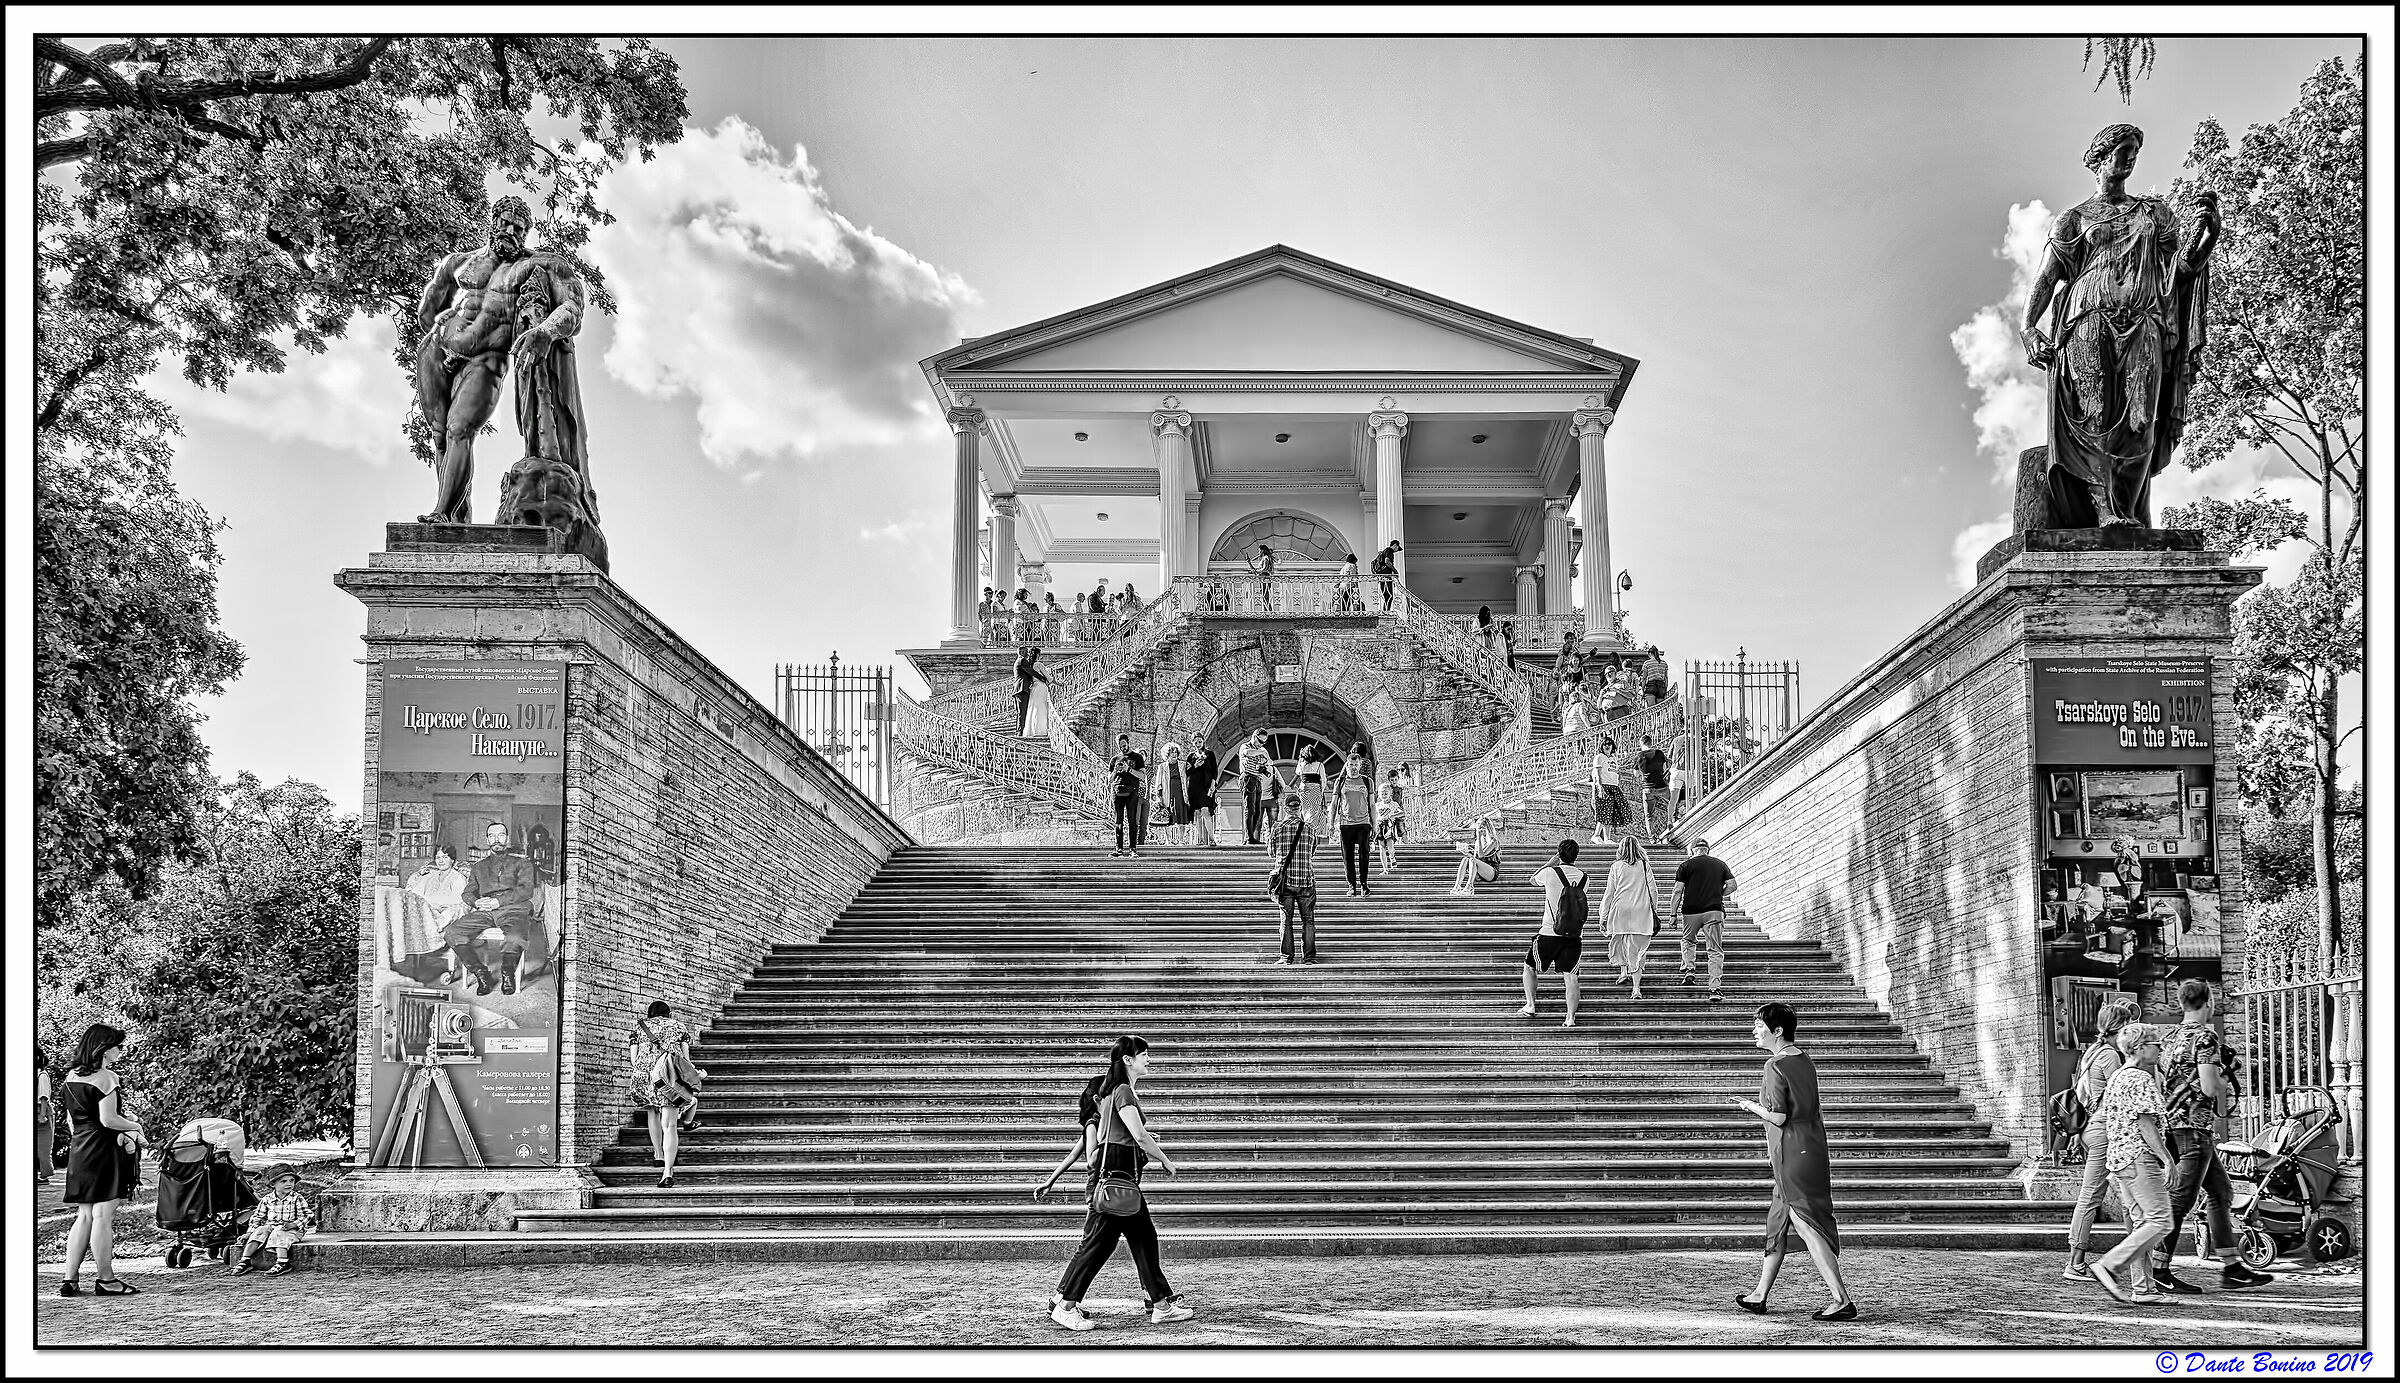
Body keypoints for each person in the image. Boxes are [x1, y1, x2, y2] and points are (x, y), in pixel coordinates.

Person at [2019, 123, 2222, 529]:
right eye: (2123, 150)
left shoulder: (2154, 213)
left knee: (2141, 419)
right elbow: (2047, 276)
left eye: (2135, 151)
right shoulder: (2074, 219)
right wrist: (2028, 327)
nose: (2130, 158)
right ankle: (2104, 511)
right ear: (2099, 158)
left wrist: (2208, 235)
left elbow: (2180, 270)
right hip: (2086, 320)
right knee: (2092, 413)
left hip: (2144, 321)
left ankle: (2128, 511)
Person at [1049, 1037, 1191, 1330]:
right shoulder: (1122, 1090)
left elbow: (1111, 1135)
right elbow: (1138, 1135)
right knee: (1099, 1245)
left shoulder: (1113, 1091)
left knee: (1143, 1239)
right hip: (1118, 1176)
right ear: (1128, 1059)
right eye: (1144, 1055)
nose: (1148, 1059)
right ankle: (1065, 1305)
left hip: (1119, 1176)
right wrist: (1165, 1160)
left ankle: (1161, 1305)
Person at [1732, 1002, 1857, 1321]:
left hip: (1792, 1151)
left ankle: (1841, 1299)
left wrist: (1749, 1106)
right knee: (1778, 1220)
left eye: (1759, 1025)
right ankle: (1759, 1294)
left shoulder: (1774, 1065)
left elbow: (1779, 1117)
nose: (1754, 1030)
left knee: (1804, 1221)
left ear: (1777, 1031)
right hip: (1810, 1145)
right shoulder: (1803, 1058)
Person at [2151, 979, 2275, 1293]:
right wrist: (2225, 1072)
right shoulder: (2206, 1037)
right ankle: (2159, 1270)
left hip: (2174, 1126)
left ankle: (2232, 1268)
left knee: (2220, 1192)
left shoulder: (2169, 1037)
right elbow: (2208, 1088)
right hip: (2194, 1129)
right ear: (2209, 1002)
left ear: (2181, 1003)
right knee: (2181, 1201)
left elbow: (2165, 1083)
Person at [2088, 1023, 2174, 1304]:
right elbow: (2145, 1124)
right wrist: (2167, 1159)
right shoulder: (2139, 1078)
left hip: (2121, 1159)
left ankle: (2144, 1289)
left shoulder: (2119, 1076)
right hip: (2139, 1157)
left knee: (2142, 1224)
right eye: (2155, 1043)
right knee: (2160, 1221)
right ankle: (2110, 1265)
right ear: (2139, 1047)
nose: (2160, 1048)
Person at [58, 1023, 145, 1296]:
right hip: (103, 1150)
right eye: (118, 1046)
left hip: (80, 1150)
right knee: (103, 1216)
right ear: (105, 1049)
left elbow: (72, 1121)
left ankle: (70, 1280)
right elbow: (108, 1120)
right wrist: (135, 1126)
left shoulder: (72, 1076)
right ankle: (106, 1280)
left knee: (84, 1215)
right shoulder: (107, 1078)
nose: (120, 1051)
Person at [2064, 996, 2141, 1280]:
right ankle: (2076, 1262)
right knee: (2101, 1195)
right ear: (2120, 1027)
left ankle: (2136, 1261)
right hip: (2105, 1131)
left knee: (2122, 1194)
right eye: (2128, 1025)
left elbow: (2082, 1093)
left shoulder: (2092, 1051)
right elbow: (2123, 1092)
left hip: (2091, 1129)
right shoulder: (2110, 1056)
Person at [448, 822, 541, 996]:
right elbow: (467, 893)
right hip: (485, 911)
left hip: (514, 908)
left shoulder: (523, 863)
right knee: (453, 932)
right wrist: (477, 902)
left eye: (501, 835)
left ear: (507, 838)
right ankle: (482, 974)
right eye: (492, 835)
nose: (496, 839)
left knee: (515, 937)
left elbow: (526, 890)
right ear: (487, 840)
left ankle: (508, 973)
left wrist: (498, 902)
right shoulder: (478, 867)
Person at [628, 1001, 702, 1188]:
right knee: (670, 1125)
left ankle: (658, 1154)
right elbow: (685, 1059)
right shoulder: (679, 1026)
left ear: (650, 1013)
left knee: (652, 1112)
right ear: (668, 1013)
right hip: (669, 1077)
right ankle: (667, 1172)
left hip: (646, 1077)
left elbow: (633, 1060)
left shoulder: (639, 1027)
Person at [1519, 839, 1590, 1027]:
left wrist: (1550, 863)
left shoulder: (1550, 872)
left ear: (1559, 854)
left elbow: (1532, 880)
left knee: (1529, 966)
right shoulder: (1585, 878)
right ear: (1576, 856)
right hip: (1574, 935)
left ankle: (1530, 1005)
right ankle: (1570, 1018)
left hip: (1549, 932)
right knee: (1571, 976)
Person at [1672, 837, 1735, 1002]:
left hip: (1690, 912)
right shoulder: (1720, 864)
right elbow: (1732, 885)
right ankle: (1714, 989)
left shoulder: (1685, 866)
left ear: (1692, 850)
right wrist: (1719, 894)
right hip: (1713, 911)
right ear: (1707, 849)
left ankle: (1689, 969)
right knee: (1714, 950)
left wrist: (1673, 914)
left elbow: (1677, 891)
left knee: (1688, 940)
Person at [1598, 837, 1660, 999]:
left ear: (1620, 849)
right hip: (1641, 911)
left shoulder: (1616, 866)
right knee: (1637, 950)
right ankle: (1636, 988)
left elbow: (1609, 893)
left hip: (1620, 910)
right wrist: (1653, 908)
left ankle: (1623, 972)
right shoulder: (1644, 865)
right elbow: (1653, 890)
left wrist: (1603, 915)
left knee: (1620, 940)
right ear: (1638, 848)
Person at [226, 1167, 316, 1277]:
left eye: (291, 1180)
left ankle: (283, 1262)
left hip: (291, 1229)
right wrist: (250, 1232)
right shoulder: (267, 1199)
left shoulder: (297, 1198)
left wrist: (293, 1224)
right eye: (283, 1181)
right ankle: (245, 1260)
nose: (288, 1184)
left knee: (279, 1232)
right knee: (260, 1230)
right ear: (273, 1184)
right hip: (272, 1227)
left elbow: (307, 1215)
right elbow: (257, 1217)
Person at [1267, 792, 1324, 964]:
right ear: (1300, 809)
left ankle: (1286, 957)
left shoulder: (1277, 828)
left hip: (1285, 882)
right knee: (1308, 920)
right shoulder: (1310, 829)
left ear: (1286, 809)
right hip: (1306, 880)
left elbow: (1271, 853)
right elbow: (1312, 853)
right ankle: (1309, 957)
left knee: (1286, 920)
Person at [1334, 760, 1376, 897]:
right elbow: (1334, 804)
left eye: (1356, 765)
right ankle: (1351, 885)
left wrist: (1375, 824)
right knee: (1348, 856)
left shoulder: (1367, 781)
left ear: (1359, 766)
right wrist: (1331, 823)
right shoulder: (1340, 782)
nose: (1353, 768)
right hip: (1346, 823)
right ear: (1346, 766)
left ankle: (1364, 884)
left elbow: (1372, 804)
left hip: (1363, 822)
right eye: (1351, 765)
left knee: (1364, 853)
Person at [1110, 735, 1147, 857]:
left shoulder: (1137, 757)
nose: (1123, 748)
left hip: (1132, 791)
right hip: (1117, 792)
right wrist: (1115, 771)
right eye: (1120, 746)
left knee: (1132, 821)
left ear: (1128, 742)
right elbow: (1109, 780)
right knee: (1118, 821)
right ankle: (1119, 849)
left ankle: (1132, 848)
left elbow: (1142, 776)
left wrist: (1128, 769)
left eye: (1124, 745)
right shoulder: (1115, 759)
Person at [1590, 737, 1629, 844]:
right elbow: (1597, 773)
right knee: (1604, 812)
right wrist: (1599, 787)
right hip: (1604, 786)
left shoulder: (1613, 758)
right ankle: (1596, 835)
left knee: (1610, 813)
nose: (1607, 746)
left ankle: (1607, 838)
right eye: (1605, 744)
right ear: (1601, 746)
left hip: (1613, 787)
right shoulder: (1599, 757)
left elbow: (1615, 772)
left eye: (1609, 744)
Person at [1450, 814, 1501, 896]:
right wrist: (1467, 852)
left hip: (1491, 872)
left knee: (1472, 859)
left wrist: (1478, 839)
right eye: (1479, 828)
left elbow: (1481, 856)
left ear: (1488, 828)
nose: (1480, 830)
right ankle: (1457, 887)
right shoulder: (1479, 841)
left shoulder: (1493, 841)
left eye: (1482, 828)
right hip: (1479, 872)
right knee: (1465, 859)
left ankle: (1469, 886)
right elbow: (1475, 859)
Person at [1634, 734, 1672, 841]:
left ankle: (1652, 838)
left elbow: (1636, 774)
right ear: (1651, 742)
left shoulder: (1639, 756)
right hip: (1661, 786)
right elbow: (1665, 767)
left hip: (1647, 789)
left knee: (1649, 815)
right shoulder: (1659, 753)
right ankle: (1674, 819)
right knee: (1673, 801)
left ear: (1641, 743)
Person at [1237, 731, 1273, 846]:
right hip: (1248, 778)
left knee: (1257, 811)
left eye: (1264, 742)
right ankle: (1249, 838)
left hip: (1258, 780)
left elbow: (1270, 761)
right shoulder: (1245, 746)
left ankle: (1251, 837)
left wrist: (1264, 761)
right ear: (1254, 736)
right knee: (1250, 809)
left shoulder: (1262, 749)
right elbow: (1248, 753)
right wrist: (1262, 753)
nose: (1261, 744)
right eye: (1260, 741)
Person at [1019, 648, 1057, 741]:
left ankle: (1032, 730)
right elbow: (1049, 678)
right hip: (1041, 687)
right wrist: (1059, 684)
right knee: (1042, 708)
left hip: (1033, 688)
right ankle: (1042, 730)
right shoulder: (1039, 664)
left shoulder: (1030, 665)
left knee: (1033, 708)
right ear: (1038, 655)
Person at [1374, 770, 1406, 876]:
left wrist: (1393, 816)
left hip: (1389, 827)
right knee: (1382, 848)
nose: (1384, 795)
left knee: (1390, 847)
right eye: (1382, 794)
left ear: (1390, 794)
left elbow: (1402, 813)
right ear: (1379, 794)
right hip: (1380, 827)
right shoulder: (1377, 805)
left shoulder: (1393, 804)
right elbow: (1374, 816)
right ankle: (1385, 869)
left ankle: (1392, 857)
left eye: (1386, 794)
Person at [1187, 744, 1220, 848]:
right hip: (1194, 786)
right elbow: (1187, 772)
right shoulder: (1190, 756)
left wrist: (1213, 783)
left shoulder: (1210, 754)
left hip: (1206, 785)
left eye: (1200, 741)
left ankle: (1212, 839)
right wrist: (1195, 765)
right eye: (1196, 741)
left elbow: (1215, 770)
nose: (1198, 743)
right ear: (1193, 743)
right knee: (1197, 813)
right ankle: (1200, 839)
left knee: (1205, 811)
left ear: (1203, 742)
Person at [1294, 744, 1328, 836]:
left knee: (1304, 811)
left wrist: (1300, 759)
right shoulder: (1319, 765)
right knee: (1315, 812)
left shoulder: (1301, 765)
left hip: (1303, 789)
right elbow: (1324, 780)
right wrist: (1321, 791)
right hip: (1315, 789)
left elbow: (1297, 772)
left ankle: (1307, 830)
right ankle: (1313, 831)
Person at [34, 1048, 55, 1185]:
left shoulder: (42, 1075)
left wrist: (42, 1115)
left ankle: (44, 1175)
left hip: (41, 1110)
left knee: (43, 1145)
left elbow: (43, 1097)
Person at [1370, 541, 1402, 611]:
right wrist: (1395, 571)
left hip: (1382, 576)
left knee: (1387, 596)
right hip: (1386, 576)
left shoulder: (1384, 552)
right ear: (1395, 545)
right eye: (1397, 548)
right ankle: (1386, 611)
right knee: (1389, 596)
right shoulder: (1389, 551)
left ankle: (1385, 611)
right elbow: (1387, 562)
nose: (1397, 550)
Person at [1249, 543, 1278, 612]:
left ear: (1262, 551)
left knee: (1265, 597)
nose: (1258, 552)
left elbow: (1265, 569)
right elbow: (1258, 570)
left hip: (1265, 578)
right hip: (1263, 578)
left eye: (1259, 551)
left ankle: (1268, 612)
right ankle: (1267, 611)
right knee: (1264, 597)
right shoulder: (1265, 558)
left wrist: (1256, 571)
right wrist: (1249, 563)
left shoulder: (1265, 558)